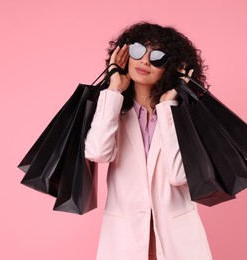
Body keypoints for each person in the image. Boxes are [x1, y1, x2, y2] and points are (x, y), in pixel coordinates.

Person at [85, 21, 212, 260]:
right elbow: (97, 152)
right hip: (124, 241)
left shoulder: (183, 116)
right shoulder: (113, 111)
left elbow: (179, 176)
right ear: (124, 56)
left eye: (158, 57)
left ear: (171, 67)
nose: (144, 61)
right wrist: (113, 91)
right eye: (137, 50)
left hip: (178, 243)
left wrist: (168, 106)